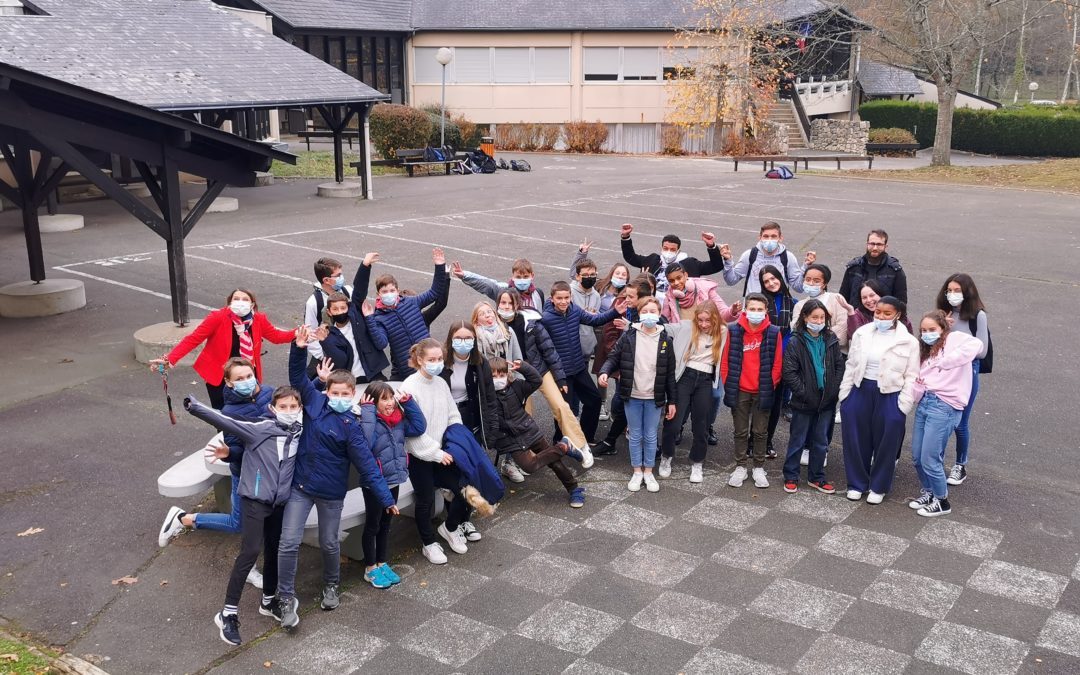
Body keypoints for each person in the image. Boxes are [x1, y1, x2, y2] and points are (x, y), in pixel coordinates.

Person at [278, 326, 397, 631]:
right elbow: (296, 378)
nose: (341, 397)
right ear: (327, 391)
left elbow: (369, 465)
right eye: (335, 393)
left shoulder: (351, 426)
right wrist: (298, 347)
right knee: (288, 542)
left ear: (353, 394)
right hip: (302, 487)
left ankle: (331, 586)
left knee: (330, 543)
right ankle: (285, 596)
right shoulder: (314, 404)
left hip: (331, 493)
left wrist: (385, 498)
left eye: (347, 394)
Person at [183, 388, 300, 646]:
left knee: (273, 550)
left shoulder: (298, 432)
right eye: (284, 407)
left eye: (294, 407)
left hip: (279, 502)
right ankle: (228, 613)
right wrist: (194, 406)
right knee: (249, 552)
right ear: (273, 408)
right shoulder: (260, 429)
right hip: (255, 500)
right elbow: (225, 421)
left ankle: (269, 601)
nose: (289, 412)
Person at [158, 357, 278, 590]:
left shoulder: (270, 393)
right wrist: (230, 452)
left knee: (262, 520)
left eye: (248, 376)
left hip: (271, 471)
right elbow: (236, 450)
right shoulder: (229, 410)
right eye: (239, 379)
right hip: (246, 473)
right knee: (239, 523)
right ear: (229, 383)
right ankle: (183, 519)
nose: (246, 381)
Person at [400, 339, 487, 564]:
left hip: (444, 451)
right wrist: (436, 453)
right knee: (426, 499)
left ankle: (449, 528)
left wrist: (455, 440)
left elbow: (452, 414)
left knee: (466, 489)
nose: (437, 363)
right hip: (421, 457)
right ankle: (428, 543)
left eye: (439, 359)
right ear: (419, 360)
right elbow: (413, 434)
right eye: (431, 360)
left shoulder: (440, 383)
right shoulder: (409, 387)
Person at [150, 289, 296, 409]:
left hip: (247, 377)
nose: (240, 302)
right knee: (223, 417)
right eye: (236, 298)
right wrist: (170, 358)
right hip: (220, 378)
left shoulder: (259, 320)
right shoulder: (217, 317)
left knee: (250, 413)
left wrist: (298, 333)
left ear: (252, 305)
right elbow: (193, 339)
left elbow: (277, 336)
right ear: (230, 303)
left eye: (245, 299)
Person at [838, 296, 919, 504]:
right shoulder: (862, 333)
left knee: (887, 442)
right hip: (860, 389)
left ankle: (879, 486)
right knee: (855, 439)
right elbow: (851, 364)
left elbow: (912, 375)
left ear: (897, 315)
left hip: (890, 394)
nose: (881, 316)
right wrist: (845, 395)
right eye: (877, 312)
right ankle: (857, 483)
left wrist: (903, 404)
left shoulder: (909, 341)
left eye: (887, 313)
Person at [495, 289, 591, 456]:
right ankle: (528, 455)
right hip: (514, 374)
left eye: (511, 303)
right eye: (503, 303)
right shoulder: (493, 325)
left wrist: (560, 378)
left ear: (518, 304)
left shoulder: (531, 322)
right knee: (525, 413)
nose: (507, 306)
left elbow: (549, 350)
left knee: (560, 405)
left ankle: (580, 444)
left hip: (538, 368)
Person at [598, 296, 677, 492]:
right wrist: (604, 372)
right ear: (639, 314)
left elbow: (670, 374)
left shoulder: (666, 340)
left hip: (654, 397)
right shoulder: (629, 336)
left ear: (659, 314)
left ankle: (648, 471)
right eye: (645, 311)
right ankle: (636, 471)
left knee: (650, 436)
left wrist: (672, 400)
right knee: (635, 435)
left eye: (653, 311)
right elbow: (614, 357)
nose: (649, 315)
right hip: (632, 395)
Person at [489, 357, 590, 507]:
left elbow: (536, 380)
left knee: (554, 461)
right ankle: (564, 446)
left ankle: (574, 489)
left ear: (507, 374)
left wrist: (523, 367)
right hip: (509, 440)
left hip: (528, 430)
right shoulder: (485, 396)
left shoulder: (516, 386)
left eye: (502, 375)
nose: (498, 379)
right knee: (529, 466)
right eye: (493, 376)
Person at [908, 311, 982, 517]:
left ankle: (942, 501)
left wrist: (946, 361)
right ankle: (929, 492)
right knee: (917, 456)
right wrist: (918, 389)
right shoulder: (925, 351)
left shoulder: (955, 340)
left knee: (930, 457)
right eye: (924, 330)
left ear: (943, 329)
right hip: (925, 403)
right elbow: (919, 383)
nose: (927, 334)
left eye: (932, 330)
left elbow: (977, 346)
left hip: (944, 406)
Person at [357, 382, 426, 588]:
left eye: (391, 398)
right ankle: (370, 569)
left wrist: (409, 403)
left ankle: (382, 562)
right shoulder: (367, 421)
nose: (389, 403)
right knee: (373, 524)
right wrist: (367, 412)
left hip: (393, 478)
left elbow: (420, 427)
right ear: (373, 402)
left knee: (386, 524)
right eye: (383, 399)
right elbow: (366, 443)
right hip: (374, 483)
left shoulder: (399, 420)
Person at [542, 280, 625, 445]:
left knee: (594, 400)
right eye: (559, 298)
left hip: (578, 368)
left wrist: (615, 311)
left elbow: (595, 320)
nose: (564, 301)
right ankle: (560, 441)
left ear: (571, 297)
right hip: (561, 372)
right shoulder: (545, 319)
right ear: (552, 299)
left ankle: (587, 436)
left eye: (566, 297)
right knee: (566, 409)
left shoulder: (574, 310)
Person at [442, 321, 516, 495]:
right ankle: (454, 493)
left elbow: (489, 398)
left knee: (472, 461)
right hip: (448, 418)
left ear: (474, 340)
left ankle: (470, 497)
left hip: (471, 417)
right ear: (451, 339)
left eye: (468, 338)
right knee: (454, 458)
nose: (463, 342)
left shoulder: (480, 362)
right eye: (458, 338)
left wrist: (491, 429)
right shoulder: (442, 362)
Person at [659, 302, 727, 483]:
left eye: (708, 321)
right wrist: (631, 324)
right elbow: (661, 327)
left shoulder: (723, 331)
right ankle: (666, 456)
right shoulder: (686, 326)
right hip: (685, 376)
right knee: (673, 421)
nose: (703, 324)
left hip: (705, 379)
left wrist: (736, 311)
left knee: (701, 425)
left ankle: (697, 462)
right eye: (700, 320)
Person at [781, 300, 844, 494]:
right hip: (804, 401)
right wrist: (803, 392)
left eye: (822, 317)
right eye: (814, 317)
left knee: (821, 441)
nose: (818, 321)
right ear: (805, 318)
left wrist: (833, 389)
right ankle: (791, 476)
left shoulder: (830, 338)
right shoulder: (796, 341)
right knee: (798, 440)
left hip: (826, 400)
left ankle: (817, 477)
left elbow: (839, 366)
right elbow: (789, 372)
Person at [720, 294, 783, 489]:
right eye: (752, 309)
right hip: (740, 390)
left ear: (766, 311)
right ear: (745, 310)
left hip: (762, 389)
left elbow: (777, 364)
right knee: (740, 431)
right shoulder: (734, 331)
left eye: (759, 309)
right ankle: (740, 466)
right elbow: (725, 361)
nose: (756, 313)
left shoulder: (773, 332)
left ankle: (758, 467)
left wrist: (769, 384)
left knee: (760, 431)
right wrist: (728, 382)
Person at [935, 273, 990, 486]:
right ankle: (936, 459)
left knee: (961, 422)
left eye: (957, 290)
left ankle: (960, 464)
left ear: (967, 292)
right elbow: (931, 342)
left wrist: (955, 348)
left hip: (967, 370)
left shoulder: (978, 315)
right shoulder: (942, 313)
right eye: (949, 290)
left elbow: (982, 350)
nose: (952, 294)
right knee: (939, 419)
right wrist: (944, 329)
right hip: (944, 371)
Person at [364, 248, 449, 380]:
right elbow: (381, 343)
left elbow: (434, 292)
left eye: (392, 290)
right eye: (384, 291)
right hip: (409, 370)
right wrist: (369, 318)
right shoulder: (379, 318)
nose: (389, 294)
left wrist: (439, 266)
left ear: (397, 291)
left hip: (430, 361)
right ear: (378, 294)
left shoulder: (411, 302)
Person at [593, 280, 647, 456]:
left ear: (643, 298)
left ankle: (651, 447)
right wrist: (606, 371)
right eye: (626, 295)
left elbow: (652, 335)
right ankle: (611, 440)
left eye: (631, 296)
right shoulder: (628, 311)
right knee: (622, 405)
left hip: (645, 375)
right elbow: (619, 349)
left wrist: (630, 327)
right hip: (628, 370)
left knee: (636, 408)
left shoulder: (650, 315)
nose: (627, 299)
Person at [619, 224, 726, 303]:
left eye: (672, 249)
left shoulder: (690, 264)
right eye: (665, 248)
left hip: (677, 305)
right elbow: (630, 257)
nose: (668, 251)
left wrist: (711, 247)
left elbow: (716, 266)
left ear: (678, 250)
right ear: (661, 248)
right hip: (651, 304)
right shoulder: (652, 260)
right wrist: (625, 237)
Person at [760, 264, 796, 458]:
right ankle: (752, 440)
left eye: (774, 278)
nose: (771, 283)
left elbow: (793, 332)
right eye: (766, 281)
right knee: (758, 405)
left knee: (774, 405)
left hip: (782, 360)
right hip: (761, 359)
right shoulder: (758, 302)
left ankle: (767, 441)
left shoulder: (793, 302)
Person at [719, 221, 815, 295]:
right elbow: (731, 280)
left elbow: (798, 288)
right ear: (760, 237)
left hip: (779, 310)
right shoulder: (750, 255)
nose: (769, 240)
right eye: (766, 236)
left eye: (773, 236)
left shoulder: (788, 257)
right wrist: (728, 261)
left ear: (780, 238)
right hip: (754, 308)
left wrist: (806, 267)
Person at [316, 288, 388, 383]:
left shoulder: (357, 319)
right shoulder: (329, 334)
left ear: (348, 308)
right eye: (335, 309)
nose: (340, 312)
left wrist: (365, 271)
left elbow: (360, 288)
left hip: (374, 375)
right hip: (351, 381)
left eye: (343, 308)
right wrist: (325, 342)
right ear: (329, 312)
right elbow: (341, 361)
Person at [303, 257, 354, 366]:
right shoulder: (314, 302)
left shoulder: (348, 291)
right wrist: (325, 356)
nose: (342, 277)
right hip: (331, 356)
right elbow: (311, 334)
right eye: (338, 275)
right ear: (326, 280)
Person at [792, 264, 854, 350]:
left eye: (816, 281)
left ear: (824, 284)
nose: (811, 283)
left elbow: (842, 332)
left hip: (834, 353)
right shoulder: (799, 305)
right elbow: (796, 330)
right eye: (808, 279)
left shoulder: (836, 299)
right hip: (807, 354)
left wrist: (813, 335)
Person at [838, 230, 907, 306]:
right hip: (856, 315)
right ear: (867, 244)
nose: (875, 248)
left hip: (882, 316)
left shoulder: (895, 270)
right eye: (872, 244)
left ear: (885, 246)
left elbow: (901, 302)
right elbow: (843, 298)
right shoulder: (854, 268)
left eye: (879, 244)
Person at [660, 263, 740, 324]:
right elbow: (666, 323)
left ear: (686, 275)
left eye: (679, 278)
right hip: (682, 341)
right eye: (671, 281)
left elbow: (723, 315)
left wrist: (732, 311)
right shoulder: (669, 296)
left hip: (705, 339)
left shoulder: (705, 289)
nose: (676, 283)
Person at [453, 258, 545, 311]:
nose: (522, 280)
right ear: (512, 277)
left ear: (532, 276)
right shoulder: (503, 291)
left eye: (525, 277)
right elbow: (486, 283)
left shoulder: (538, 294)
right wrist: (465, 276)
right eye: (518, 277)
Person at [847, 279, 912, 337]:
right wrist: (851, 314)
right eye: (864, 297)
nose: (869, 300)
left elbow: (909, 338)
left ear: (880, 294)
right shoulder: (858, 314)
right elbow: (854, 335)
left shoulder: (896, 311)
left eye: (872, 295)